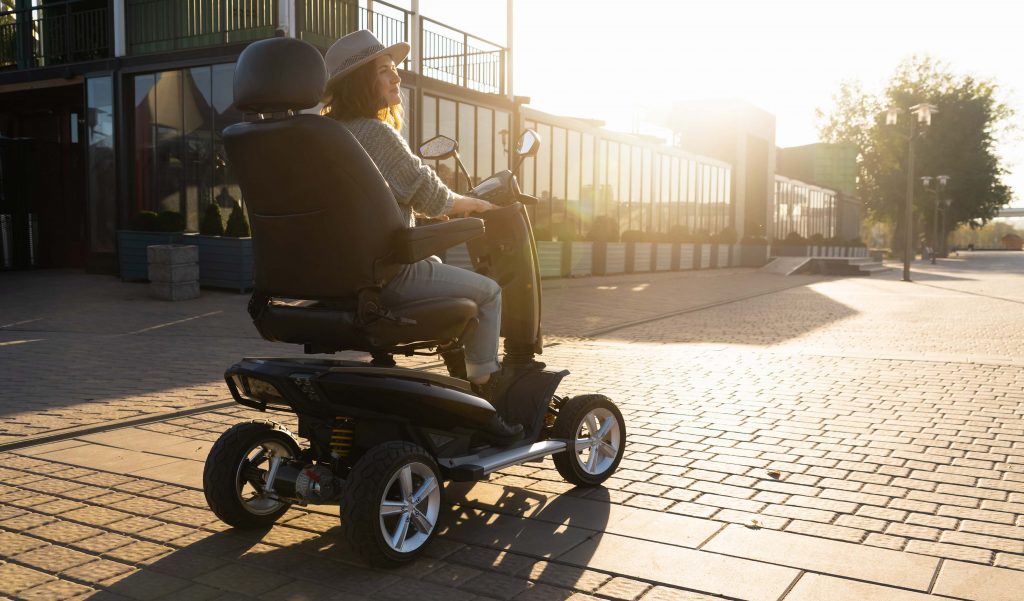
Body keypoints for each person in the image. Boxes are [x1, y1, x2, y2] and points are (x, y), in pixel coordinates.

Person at [321, 30, 519, 434]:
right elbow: (429, 192)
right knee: (489, 292)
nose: (397, 79)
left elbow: (374, 205)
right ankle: (487, 388)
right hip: (387, 277)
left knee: (436, 267)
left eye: (395, 71)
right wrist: (477, 204)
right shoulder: (374, 132)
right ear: (361, 81)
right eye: (385, 71)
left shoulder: (325, 136)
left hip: (337, 278)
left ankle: (459, 383)